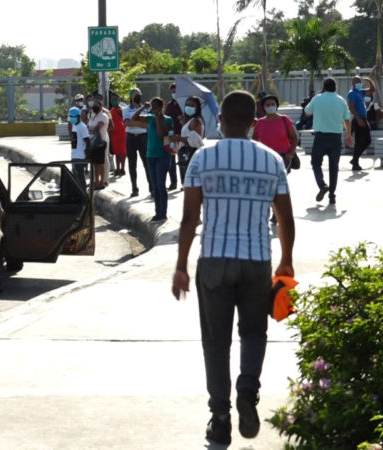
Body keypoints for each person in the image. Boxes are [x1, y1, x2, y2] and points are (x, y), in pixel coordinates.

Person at [172, 90, 295, 447]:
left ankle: (220, 417)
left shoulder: (202, 159)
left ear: (220, 121)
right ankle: (247, 389)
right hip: (257, 261)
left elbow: (189, 218)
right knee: (254, 334)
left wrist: (181, 265)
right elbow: (285, 218)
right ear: (254, 124)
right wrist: (286, 261)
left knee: (216, 343)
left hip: (213, 261)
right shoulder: (272, 160)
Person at [304, 77, 352, 205]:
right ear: (335, 87)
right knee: (333, 167)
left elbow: (307, 112)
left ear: (324, 87)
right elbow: (347, 120)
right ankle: (332, 195)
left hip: (320, 137)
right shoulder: (341, 100)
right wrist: (348, 136)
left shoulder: (317, 98)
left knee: (315, 163)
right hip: (336, 137)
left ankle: (322, 185)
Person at [132, 97, 173, 222]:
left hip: (163, 155)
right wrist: (143, 108)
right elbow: (134, 118)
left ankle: (163, 212)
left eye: (156, 107)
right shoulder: (149, 118)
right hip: (150, 155)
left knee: (161, 184)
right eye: (152, 107)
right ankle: (157, 212)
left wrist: (158, 117)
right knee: (155, 185)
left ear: (161, 107)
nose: (154, 109)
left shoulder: (168, 120)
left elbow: (161, 134)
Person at [252, 94, 298, 172]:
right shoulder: (260, 122)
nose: (270, 106)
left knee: (281, 180)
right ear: (263, 107)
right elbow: (254, 141)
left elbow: (295, 138)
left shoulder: (284, 119)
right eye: (268, 105)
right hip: (266, 157)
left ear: (277, 106)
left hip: (283, 157)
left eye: (273, 104)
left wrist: (291, 153)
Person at [123, 88, 152, 197]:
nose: (138, 96)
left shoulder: (146, 109)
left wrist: (136, 122)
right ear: (131, 96)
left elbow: (148, 124)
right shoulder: (126, 109)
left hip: (143, 137)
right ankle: (134, 187)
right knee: (132, 164)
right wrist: (139, 122)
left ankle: (151, 187)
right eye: (135, 94)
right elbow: (128, 123)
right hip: (131, 137)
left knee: (146, 162)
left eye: (139, 94)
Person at [169, 96, 205, 184]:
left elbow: (193, 140)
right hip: (186, 154)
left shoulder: (195, 121)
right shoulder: (190, 121)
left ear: (197, 108)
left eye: (192, 105)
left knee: (191, 182)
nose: (189, 107)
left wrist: (178, 138)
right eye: (187, 105)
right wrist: (184, 124)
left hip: (191, 154)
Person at [347, 76, 377, 171]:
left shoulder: (361, 92)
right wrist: (358, 119)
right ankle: (355, 163)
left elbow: (372, 90)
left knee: (367, 140)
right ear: (353, 84)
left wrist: (369, 81)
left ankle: (355, 160)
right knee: (360, 141)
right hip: (358, 119)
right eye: (357, 82)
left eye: (360, 82)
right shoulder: (352, 93)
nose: (359, 83)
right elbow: (351, 108)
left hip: (363, 118)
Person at [164, 83, 183, 190]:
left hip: (181, 135)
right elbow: (166, 119)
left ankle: (184, 182)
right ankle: (173, 182)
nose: (174, 93)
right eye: (172, 92)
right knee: (171, 160)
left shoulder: (184, 104)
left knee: (182, 159)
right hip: (171, 135)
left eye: (175, 91)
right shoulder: (169, 105)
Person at [88, 98, 110, 189]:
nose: (95, 107)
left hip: (100, 143)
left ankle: (101, 182)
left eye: (97, 105)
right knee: (94, 164)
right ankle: (96, 181)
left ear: (101, 107)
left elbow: (97, 128)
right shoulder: (93, 116)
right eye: (94, 105)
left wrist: (90, 130)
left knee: (100, 163)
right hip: (92, 142)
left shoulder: (103, 116)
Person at [68, 106, 90, 189]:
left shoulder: (82, 127)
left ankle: (84, 197)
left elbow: (87, 141)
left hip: (80, 157)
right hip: (75, 155)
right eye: (70, 117)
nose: (71, 119)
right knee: (76, 179)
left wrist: (87, 156)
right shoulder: (75, 126)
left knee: (80, 179)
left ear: (78, 116)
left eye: (72, 117)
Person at [109, 94, 127, 177]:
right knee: (116, 152)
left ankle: (123, 168)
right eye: (112, 99)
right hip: (114, 134)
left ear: (119, 99)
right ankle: (118, 168)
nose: (114, 101)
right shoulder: (111, 111)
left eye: (115, 99)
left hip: (122, 133)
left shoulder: (122, 110)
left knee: (123, 152)